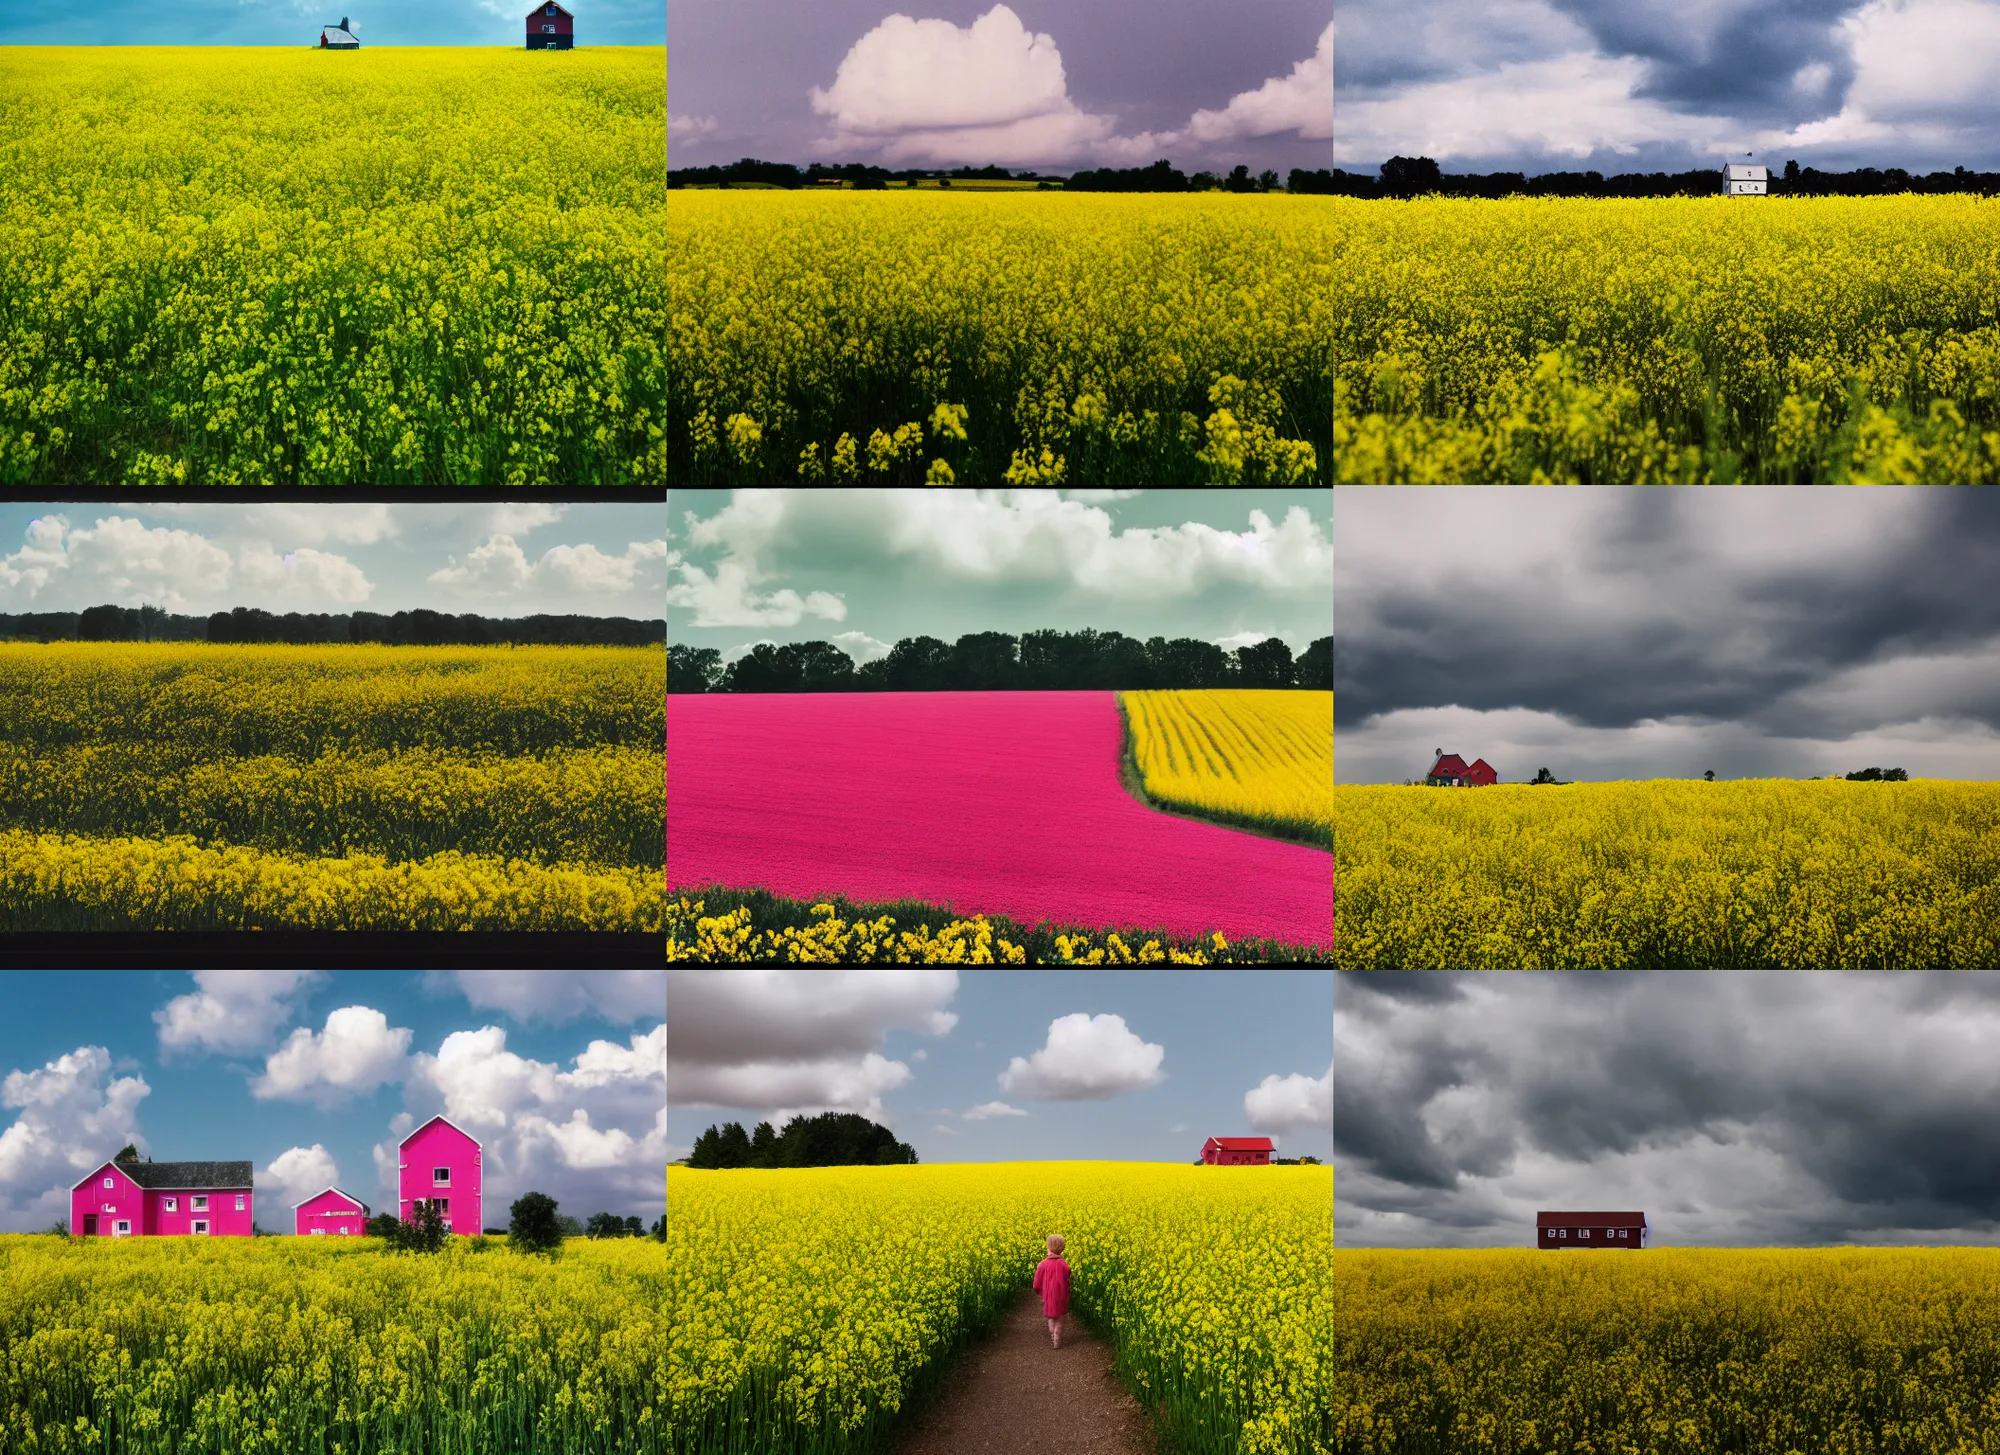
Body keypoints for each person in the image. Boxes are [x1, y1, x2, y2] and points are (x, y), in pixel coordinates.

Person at [1033, 1233, 1071, 1348]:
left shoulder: (1042, 1265)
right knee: (1060, 1318)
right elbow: (1068, 1278)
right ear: (1062, 1249)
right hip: (1061, 1296)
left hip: (1049, 1297)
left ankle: (1052, 1333)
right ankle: (1057, 1338)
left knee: (1051, 1318)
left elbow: (1036, 1284)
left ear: (1048, 1248)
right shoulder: (1064, 1265)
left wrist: (1041, 1292)